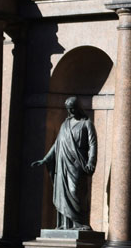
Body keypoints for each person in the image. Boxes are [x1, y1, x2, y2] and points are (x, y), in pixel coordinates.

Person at [32, 96, 97, 230]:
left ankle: (80, 224)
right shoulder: (65, 124)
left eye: (73, 108)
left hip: (78, 164)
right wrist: (45, 159)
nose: (71, 111)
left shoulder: (87, 124)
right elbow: (57, 144)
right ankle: (65, 225)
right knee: (62, 194)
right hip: (63, 164)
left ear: (78, 108)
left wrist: (91, 161)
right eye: (69, 109)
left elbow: (93, 144)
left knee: (75, 192)